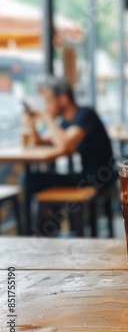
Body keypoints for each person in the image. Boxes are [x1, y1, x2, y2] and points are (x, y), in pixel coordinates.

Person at [23, 76, 117, 236]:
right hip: (86, 175)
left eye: (48, 101)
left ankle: (33, 236)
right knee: (34, 179)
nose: (47, 106)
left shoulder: (85, 114)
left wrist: (46, 117)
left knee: (31, 180)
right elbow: (44, 142)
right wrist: (33, 127)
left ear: (63, 98)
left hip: (97, 178)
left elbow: (65, 144)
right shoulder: (66, 123)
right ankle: (48, 233)